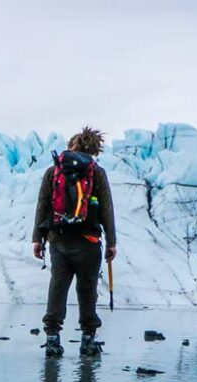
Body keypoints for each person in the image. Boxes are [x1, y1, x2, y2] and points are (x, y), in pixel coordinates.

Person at [31, 127, 116, 357]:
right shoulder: (96, 172)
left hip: (58, 239)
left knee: (58, 286)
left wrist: (37, 239)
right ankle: (88, 340)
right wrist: (111, 242)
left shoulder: (54, 171)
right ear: (94, 149)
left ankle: (52, 339)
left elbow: (43, 204)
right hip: (88, 240)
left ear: (72, 145)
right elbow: (107, 209)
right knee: (87, 289)